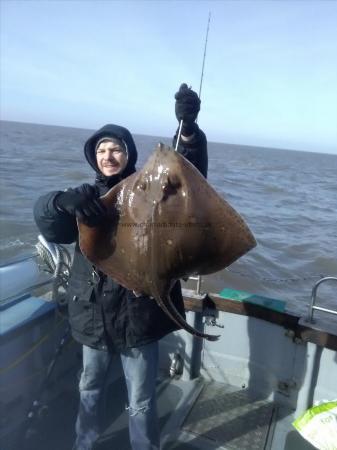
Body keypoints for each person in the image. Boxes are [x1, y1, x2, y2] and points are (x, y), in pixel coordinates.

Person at [33, 83, 208, 450]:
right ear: (93, 157)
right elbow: (50, 223)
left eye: (116, 149)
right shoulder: (85, 198)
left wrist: (187, 131)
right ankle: (85, 444)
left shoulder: (150, 193)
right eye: (101, 149)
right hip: (93, 316)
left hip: (138, 314)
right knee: (89, 385)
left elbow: (187, 178)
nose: (108, 155)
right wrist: (60, 201)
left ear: (128, 155)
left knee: (141, 398)